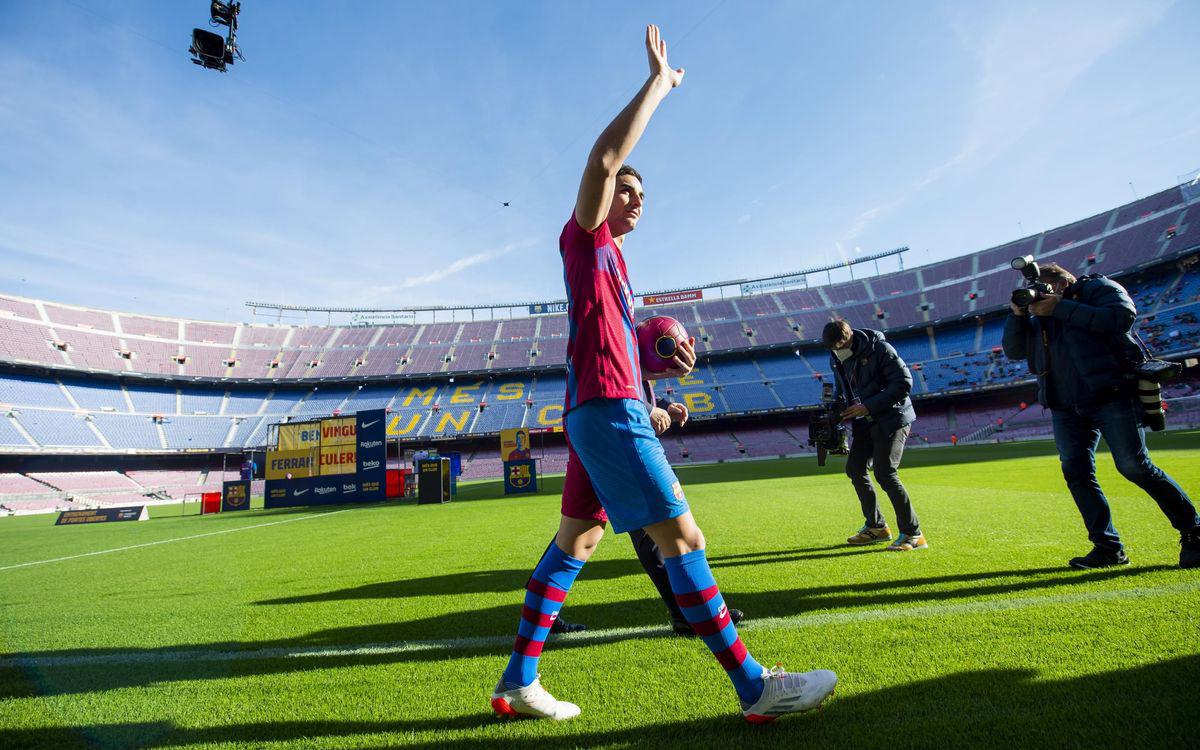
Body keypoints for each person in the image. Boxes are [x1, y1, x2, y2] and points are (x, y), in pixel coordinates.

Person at [490, 25, 836, 723]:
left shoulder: (616, 266)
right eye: (627, 189)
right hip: (607, 410)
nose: (636, 197)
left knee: (578, 540)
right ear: (603, 197)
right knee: (685, 540)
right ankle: (755, 687)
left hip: (602, 408)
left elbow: (615, 345)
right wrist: (659, 83)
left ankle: (517, 681)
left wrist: (661, 369)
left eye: (642, 192)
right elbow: (603, 156)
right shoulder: (585, 238)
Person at [1002, 263, 1200, 570]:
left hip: (1112, 394)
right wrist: (1017, 315)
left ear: (1061, 282)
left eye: (1044, 288)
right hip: (1065, 404)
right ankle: (1108, 548)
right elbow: (1014, 351)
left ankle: (1194, 532)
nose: (1039, 294)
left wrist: (1062, 307)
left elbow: (1121, 318)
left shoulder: (1098, 288)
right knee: (1077, 474)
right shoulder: (1039, 315)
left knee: (1135, 467)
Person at [549, 383, 745, 637]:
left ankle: (688, 614)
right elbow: (608, 382)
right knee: (672, 537)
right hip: (613, 439)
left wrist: (661, 404)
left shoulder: (628, 348)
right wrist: (649, 409)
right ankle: (695, 615)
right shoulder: (611, 343)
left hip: (607, 437)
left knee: (579, 536)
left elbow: (630, 378)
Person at [822, 320, 927, 551]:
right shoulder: (835, 357)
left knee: (885, 473)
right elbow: (842, 391)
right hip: (864, 421)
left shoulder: (880, 349)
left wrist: (868, 406)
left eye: (839, 346)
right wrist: (835, 413)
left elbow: (903, 383)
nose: (836, 352)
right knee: (855, 469)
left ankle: (913, 534)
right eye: (831, 349)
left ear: (849, 336)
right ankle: (877, 527)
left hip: (892, 418)